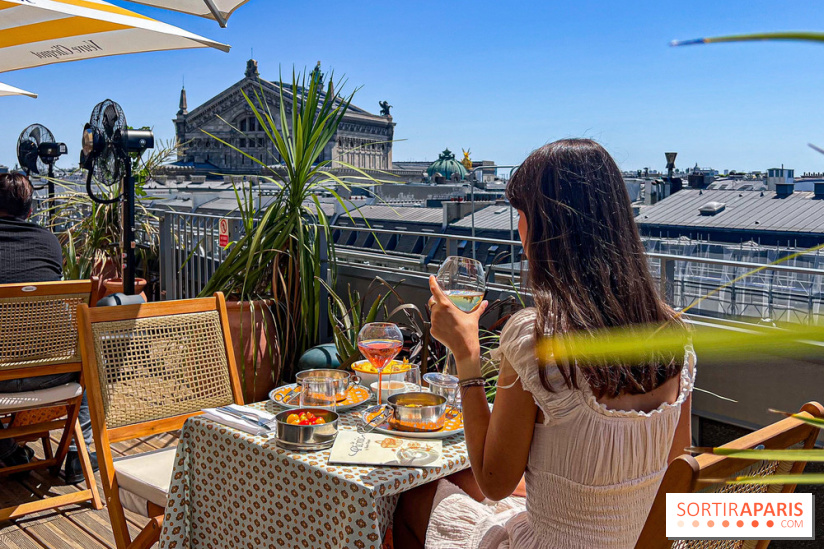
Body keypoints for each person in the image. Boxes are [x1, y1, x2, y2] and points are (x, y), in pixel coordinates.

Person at [394, 139, 695, 549]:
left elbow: (496, 482)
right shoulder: (674, 337)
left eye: (523, 215)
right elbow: (673, 470)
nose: (519, 228)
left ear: (546, 228)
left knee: (413, 502)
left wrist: (466, 353)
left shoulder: (536, 338)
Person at [0, 172, 97, 484]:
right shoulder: (49, 242)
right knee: (86, 352)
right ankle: (78, 453)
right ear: (30, 210)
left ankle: (7, 450)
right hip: (55, 373)